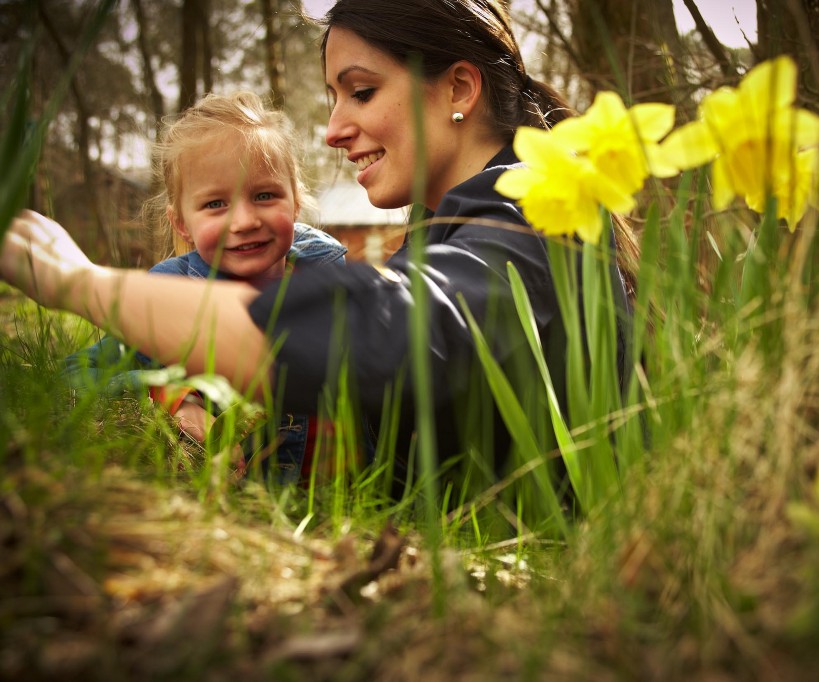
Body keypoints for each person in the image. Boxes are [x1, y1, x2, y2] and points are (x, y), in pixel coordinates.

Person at [1, 0, 638, 493]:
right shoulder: (460, 224)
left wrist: (77, 283)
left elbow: (388, 339)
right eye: (333, 97)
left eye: (360, 92)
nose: (333, 129)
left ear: (460, 90)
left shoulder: (533, 203)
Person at [64, 90, 349, 485]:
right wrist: (174, 398)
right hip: (254, 508)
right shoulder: (167, 297)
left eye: (265, 195)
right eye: (216, 204)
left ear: (296, 201)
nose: (245, 220)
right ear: (181, 222)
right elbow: (76, 373)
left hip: (355, 499)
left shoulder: (329, 274)